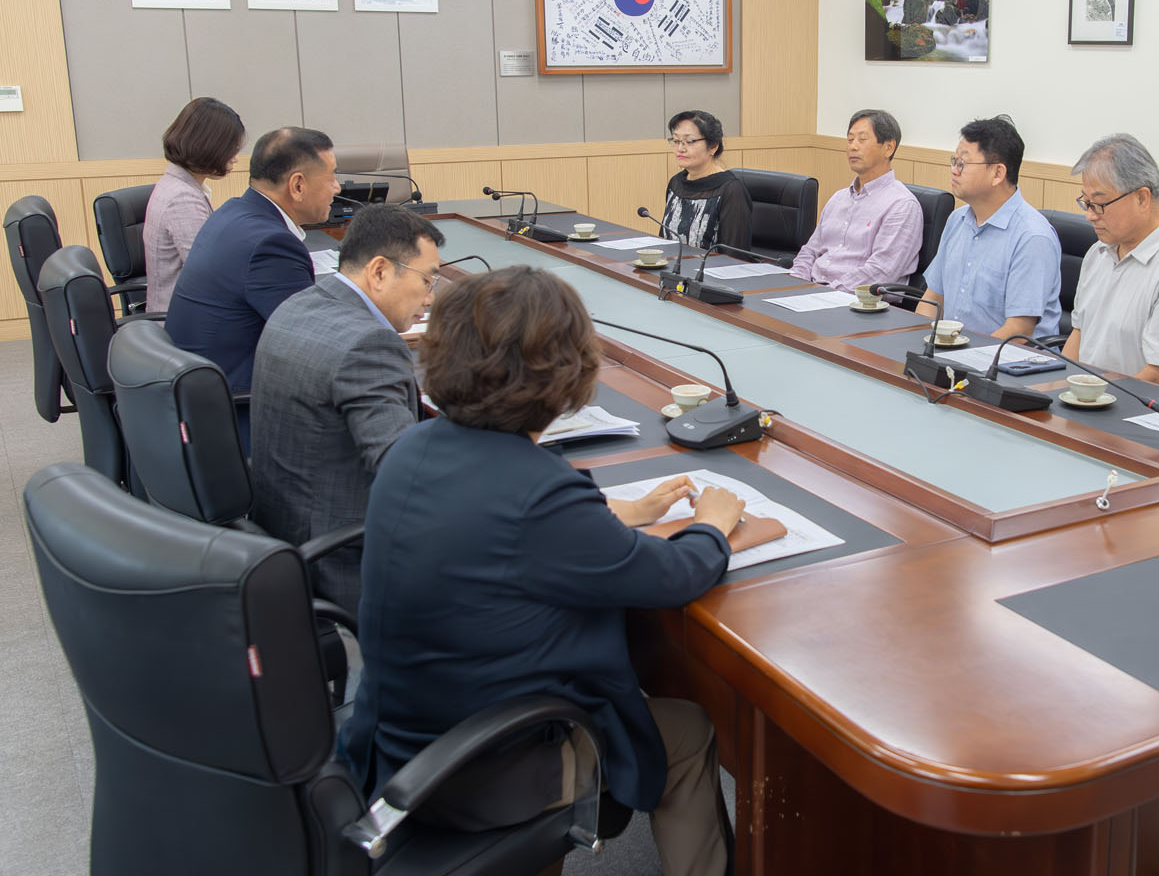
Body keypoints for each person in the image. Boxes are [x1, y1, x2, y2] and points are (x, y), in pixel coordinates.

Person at [339, 266, 743, 876]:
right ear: (568, 374)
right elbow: (674, 575)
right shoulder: (539, 493)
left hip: (398, 744)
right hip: (486, 769)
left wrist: (625, 511)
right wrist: (712, 524)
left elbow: (498, 523)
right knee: (688, 730)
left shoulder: (413, 448)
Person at [249, 204, 444, 615]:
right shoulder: (368, 345)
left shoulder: (299, 304)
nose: (430, 298)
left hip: (283, 530)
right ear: (379, 272)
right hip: (343, 559)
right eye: (427, 280)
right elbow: (405, 475)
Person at [165, 127, 340, 401]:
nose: (337, 188)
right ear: (298, 185)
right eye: (331, 177)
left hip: (199, 393)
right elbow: (318, 343)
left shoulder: (233, 212)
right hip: (238, 404)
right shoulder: (271, 246)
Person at [1061, 133, 1159, 392]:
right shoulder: (1098, 253)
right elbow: (1079, 335)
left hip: (1149, 408)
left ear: (1142, 198)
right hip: (1089, 399)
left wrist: (1088, 398)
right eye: (1086, 203)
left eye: (1099, 204)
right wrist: (1057, 390)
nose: (1090, 216)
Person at [918, 115, 1061, 339]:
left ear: (998, 173)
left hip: (1008, 357)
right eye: (954, 161)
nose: (954, 170)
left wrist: (964, 355)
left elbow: (1019, 331)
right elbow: (932, 299)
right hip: (952, 352)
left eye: (963, 163)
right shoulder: (957, 220)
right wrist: (919, 343)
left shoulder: (1032, 237)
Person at [790, 109, 923, 291]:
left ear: (889, 148)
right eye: (850, 139)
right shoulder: (838, 198)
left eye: (862, 139)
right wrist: (795, 283)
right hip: (813, 292)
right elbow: (810, 251)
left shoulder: (902, 205)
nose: (853, 147)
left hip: (856, 301)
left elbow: (881, 271)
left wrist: (826, 293)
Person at [144, 97, 244, 312]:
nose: (235, 158)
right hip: (179, 319)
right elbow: (210, 274)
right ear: (209, 147)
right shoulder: (182, 199)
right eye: (231, 148)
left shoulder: (177, 185)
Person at [661, 110, 752, 251]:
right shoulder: (676, 183)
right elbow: (665, 239)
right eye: (676, 141)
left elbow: (734, 254)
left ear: (713, 146)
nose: (680, 149)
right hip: (674, 263)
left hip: (710, 266)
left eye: (689, 142)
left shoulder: (731, 190)